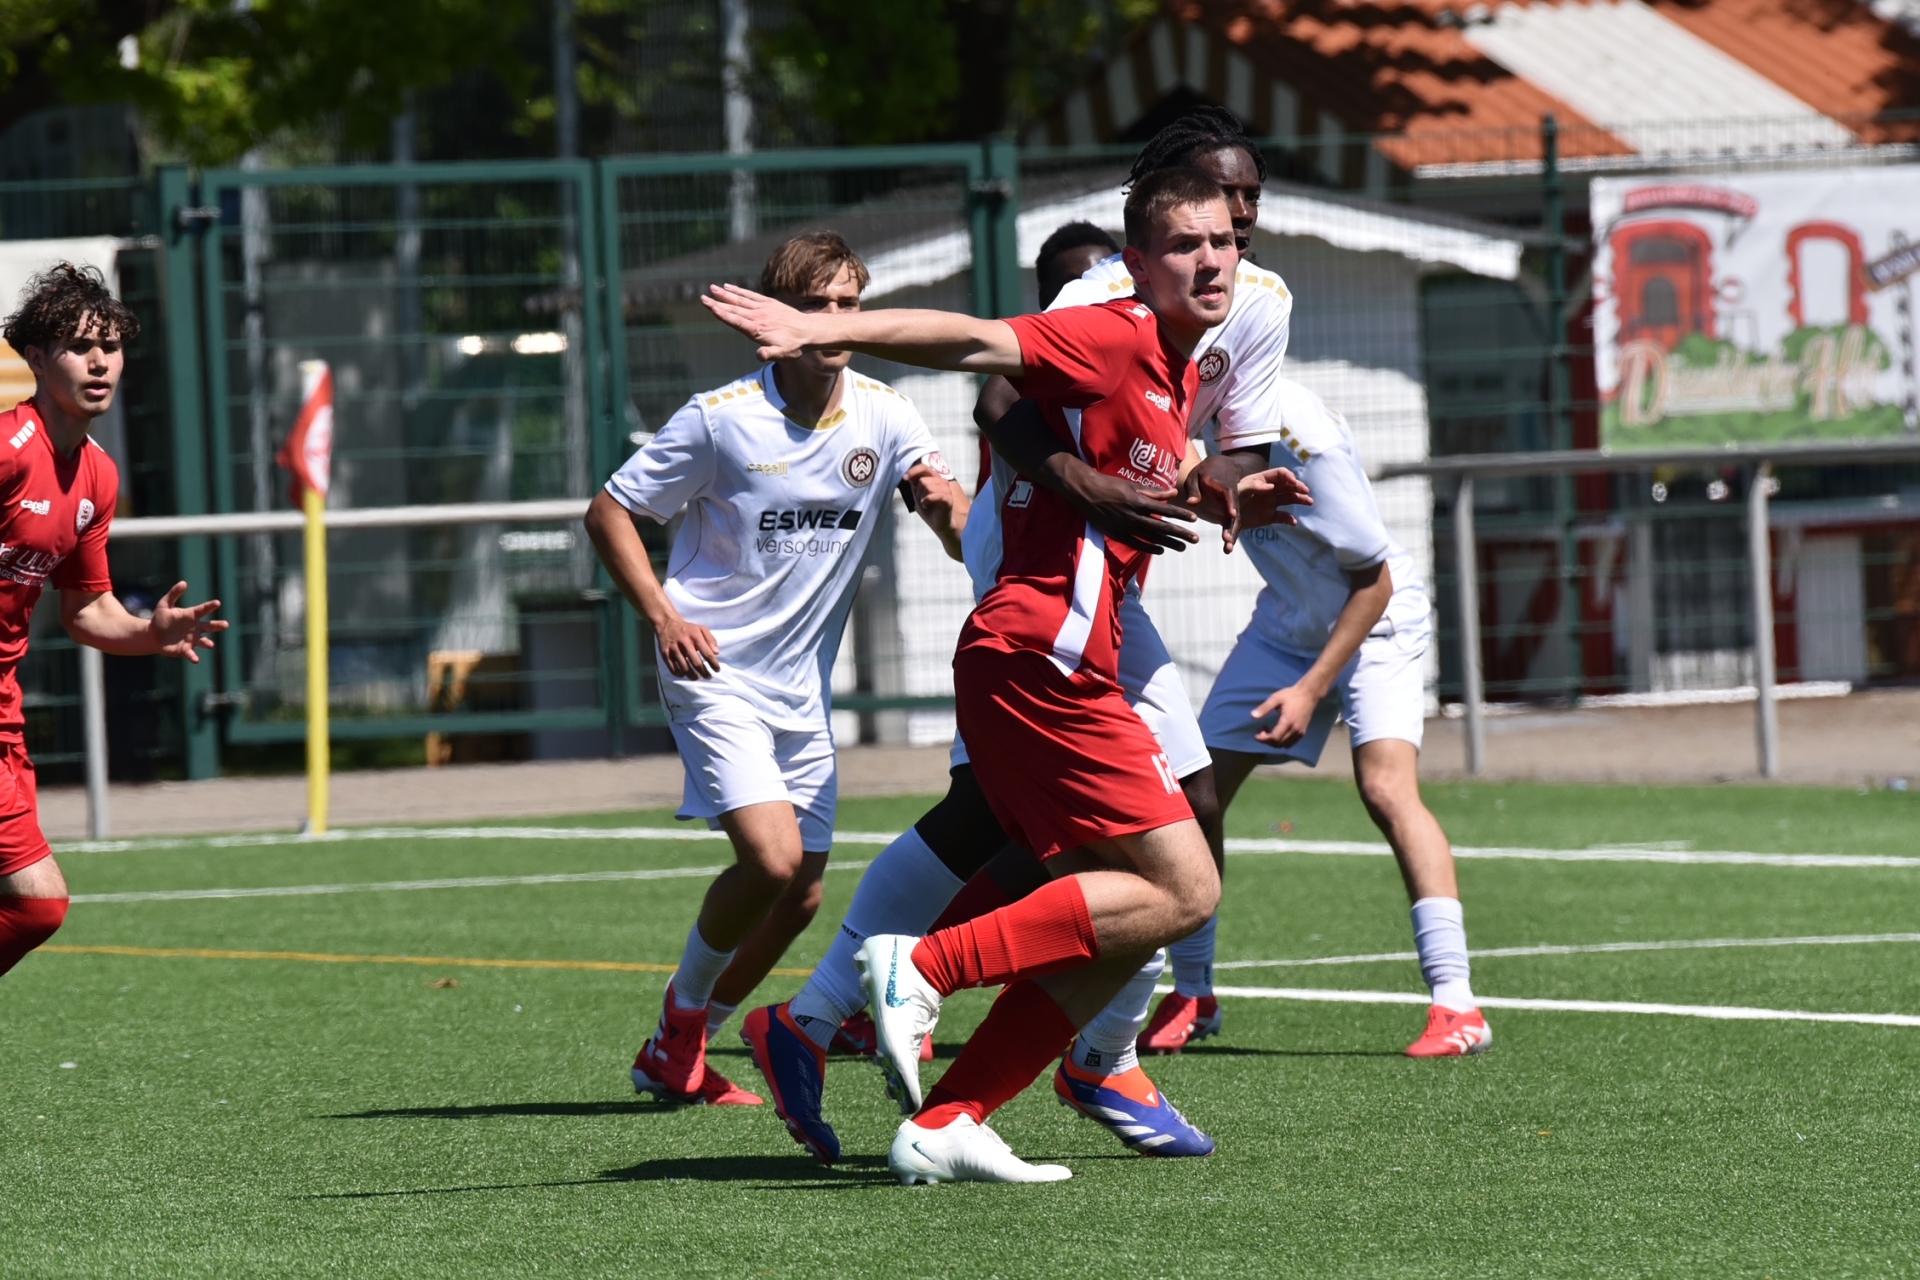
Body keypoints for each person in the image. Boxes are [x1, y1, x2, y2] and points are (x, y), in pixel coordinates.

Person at [707, 165, 1309, 1185]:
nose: (1215, 259)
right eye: (1186, 244)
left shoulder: (1174, 373)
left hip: (1054, 656)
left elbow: (1136, 475)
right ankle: (920, 968)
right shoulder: (1115, 332)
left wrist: (1220, 490)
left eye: (1225, 240)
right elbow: (975, 344)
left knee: (1120, 909)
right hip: (1043, 657)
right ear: (1138, 263)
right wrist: (823, 331)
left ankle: (950, 1114)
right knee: (1184, 885)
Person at [584, 231, 968, 1107]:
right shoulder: (720, 419)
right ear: (775, 316)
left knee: (801, 893)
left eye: (848, 303)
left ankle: (681, 1047)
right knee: (771, 859)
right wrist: (664, 616)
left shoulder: (886, 414)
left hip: (801, 689)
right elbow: (609, 511)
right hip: (713, 668)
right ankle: (681, 1023)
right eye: (816, 304)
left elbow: (938, 500)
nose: (835, 320)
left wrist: (967, 526)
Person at [1192, 378, 1492, 1057]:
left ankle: (1458, 1005)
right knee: (1195, 794)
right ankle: (1192, 992)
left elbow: (1373, 581)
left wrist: (1308, 691)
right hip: (1286, 621)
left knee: (1386, 788)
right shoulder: (1192, 393)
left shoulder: (1307, 439)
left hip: (1375, 621)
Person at [0, 264, 228, 980]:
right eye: (78, 346)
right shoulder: (6, 450)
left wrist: (151, 634)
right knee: (36, 903)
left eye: (111, 346)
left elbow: (87, 610)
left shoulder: (97, 475)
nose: (99, 362)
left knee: (33, 905)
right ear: (36, 359)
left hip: (4, 712)